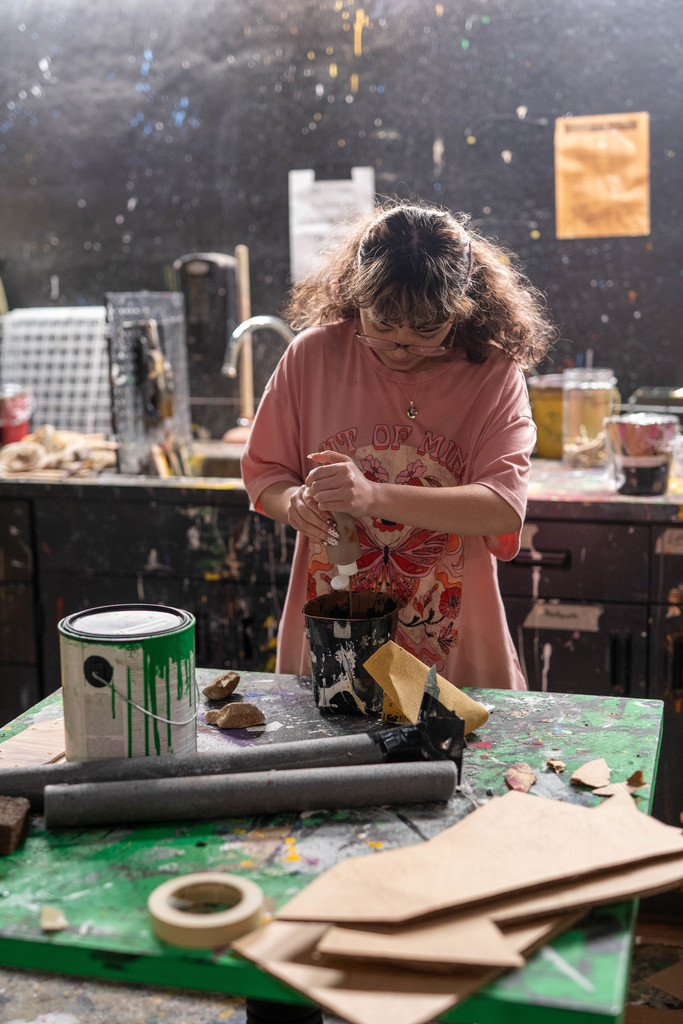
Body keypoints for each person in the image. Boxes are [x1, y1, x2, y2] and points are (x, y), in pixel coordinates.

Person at [240, 200, 556, 691]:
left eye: (427, 330)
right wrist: (295, 502)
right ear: (355, 294)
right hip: (334, 631)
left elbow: (501, 509)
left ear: (462, 307)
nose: (402, 345)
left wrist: (373, 496)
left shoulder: (493, 374)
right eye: (383, 326)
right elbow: (266, 476)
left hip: (451, 636)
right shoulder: (311, 357)